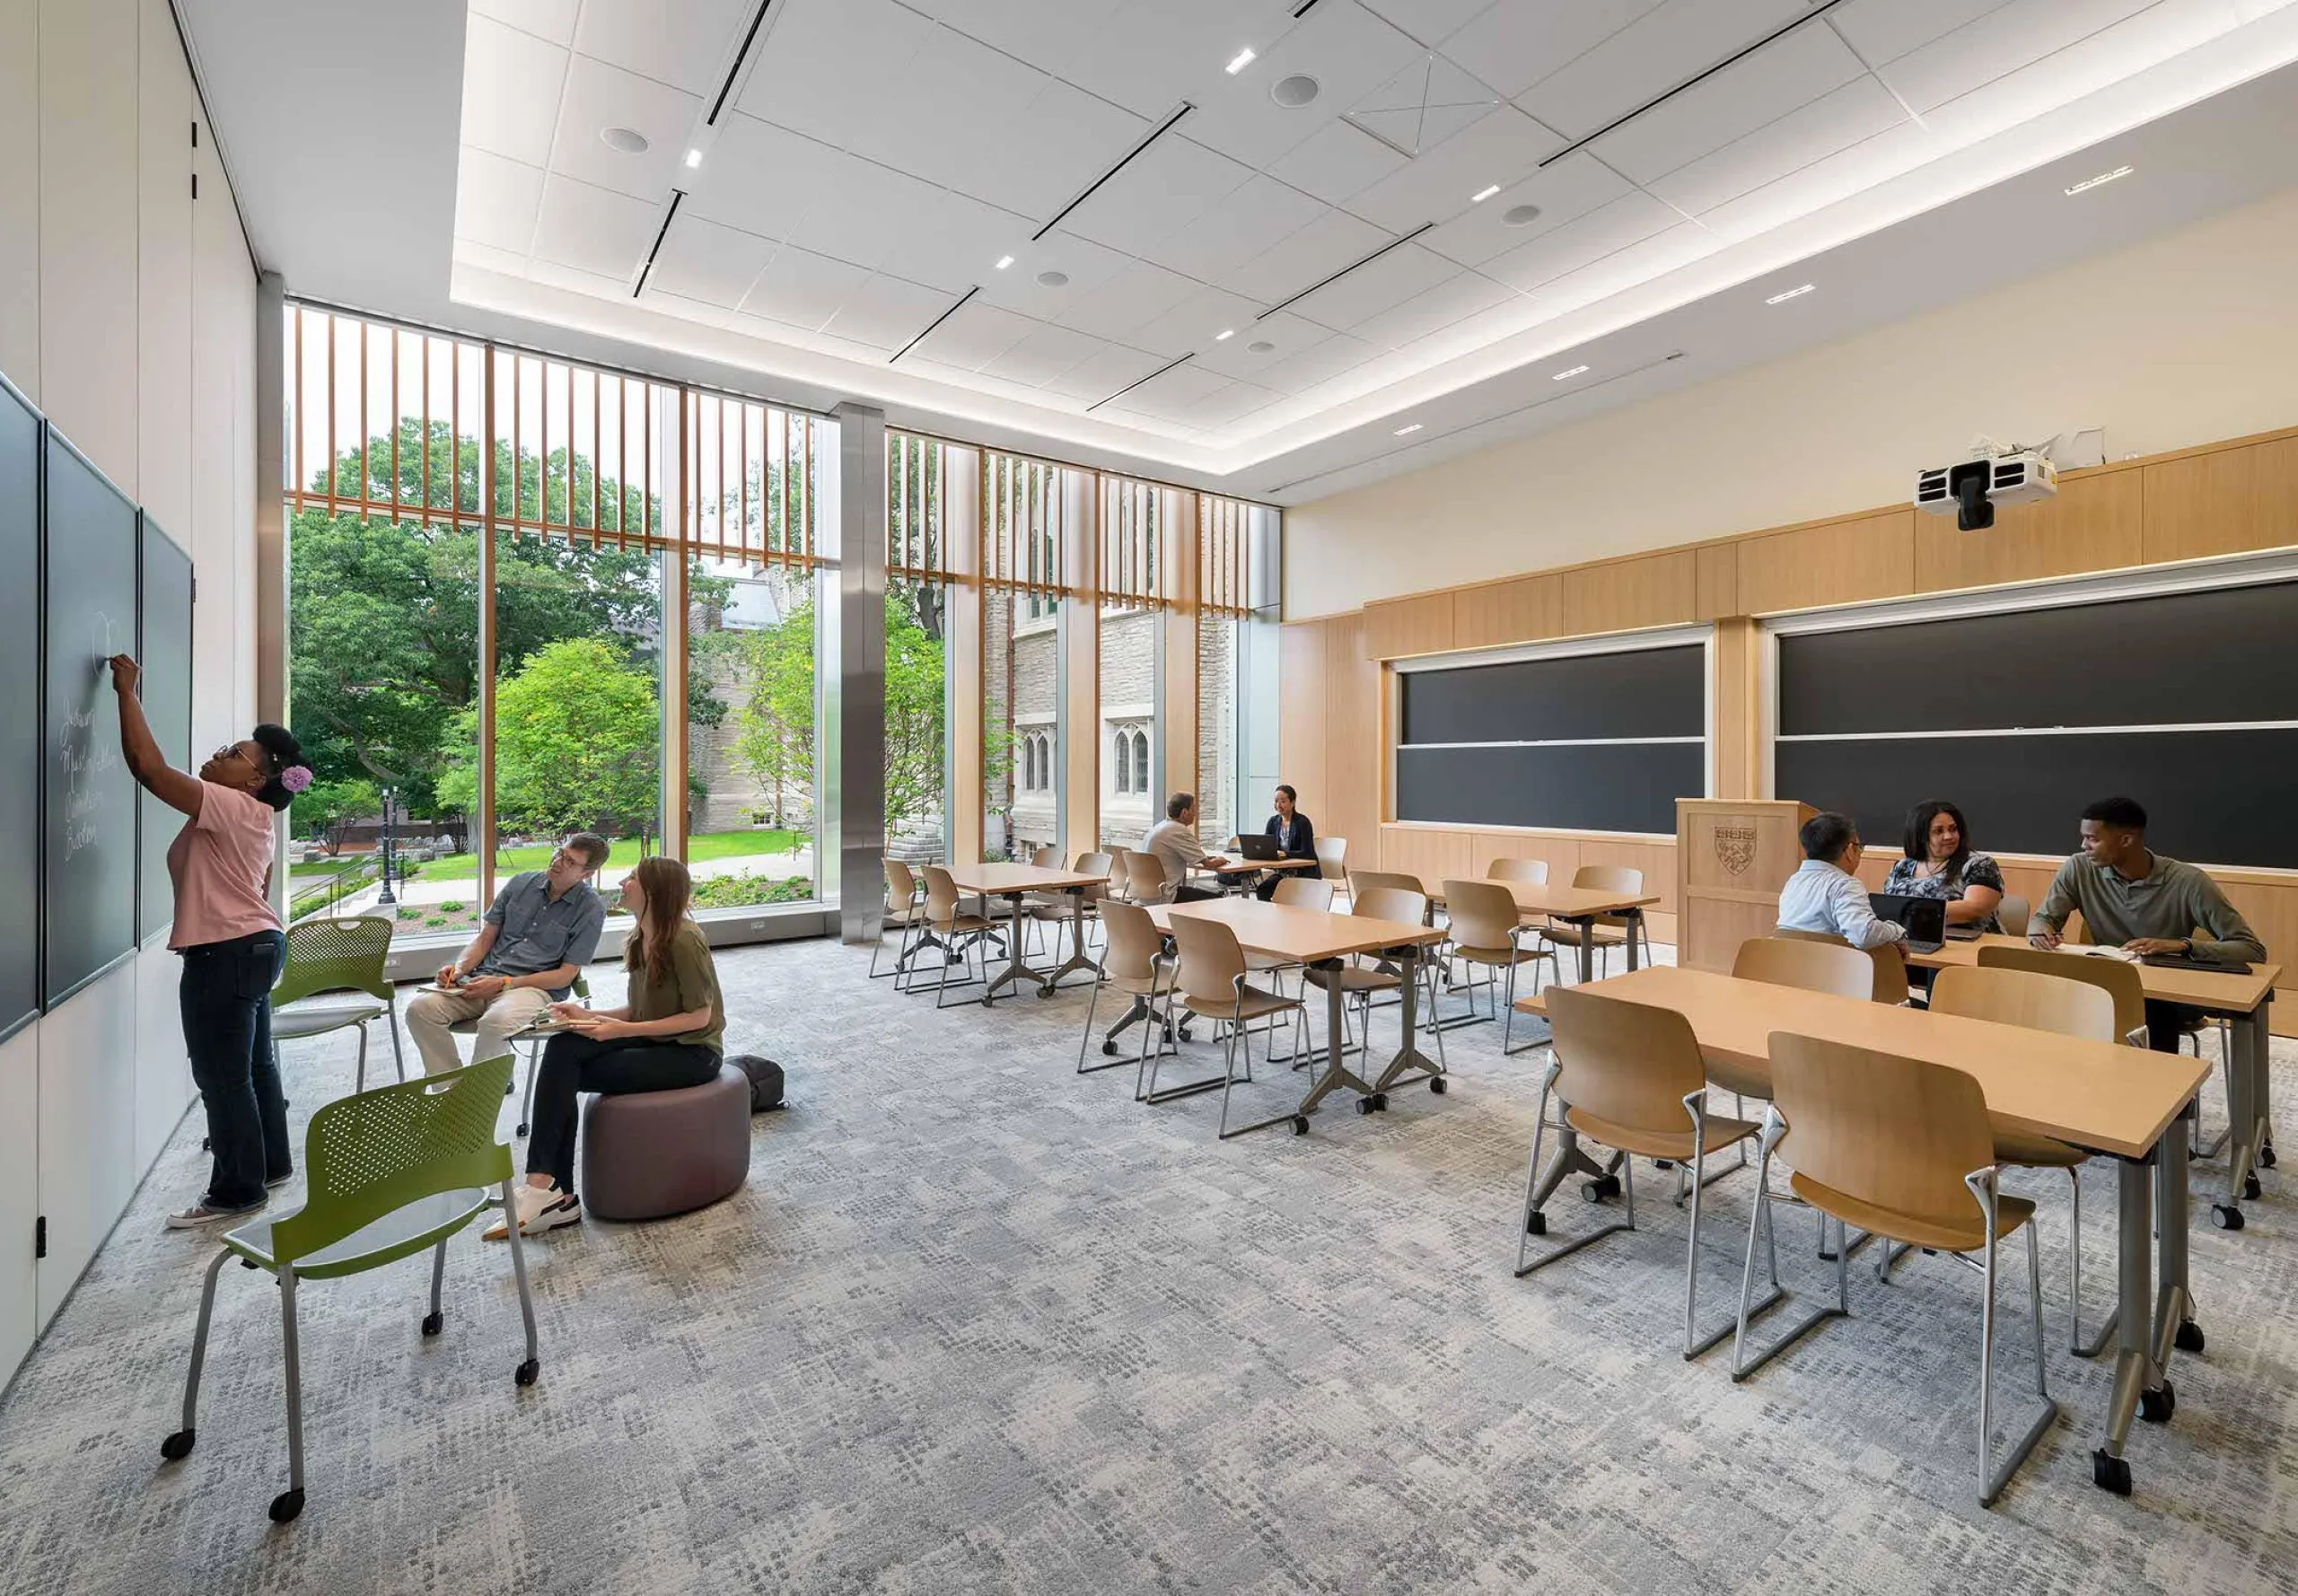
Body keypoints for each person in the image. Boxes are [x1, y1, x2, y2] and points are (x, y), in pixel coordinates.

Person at [108, 654, 311, 1228]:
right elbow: (259, 885)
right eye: (228, 746)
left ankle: (236, 1192)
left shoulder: (230, 805)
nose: (221, 754)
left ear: (254, 780)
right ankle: (269, 1166)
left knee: (222, 1076)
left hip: (225, 954)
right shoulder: (252, 817)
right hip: (255, 946)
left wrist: (127, 692)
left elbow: (149, 769)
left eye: (235, 755)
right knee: (253, 1067)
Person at [487, 856, 725, 1239]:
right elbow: (640, 1010)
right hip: (657, 1040)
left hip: (693, 1053)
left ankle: (550, 1194)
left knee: (565, 1072)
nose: (623, 882)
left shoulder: (683, 938)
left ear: (653, 891)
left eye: (632, 878)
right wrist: (588, 1016)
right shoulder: (641, 937)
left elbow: (699, 1017)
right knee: (564, 1046)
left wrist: (616, 1032)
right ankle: (548, 1191)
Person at [2029, 795, 2266, 1053]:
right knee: (2048, 1000)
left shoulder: (2189, 882)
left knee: (2150, 1007)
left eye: (2093, 839)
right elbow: (2044, 919)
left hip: (2166, 993)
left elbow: (2251, 949)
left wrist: (2181, 946)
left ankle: (2166, 1091)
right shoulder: (2079, 868)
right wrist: (2041, 931)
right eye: (2084, 837)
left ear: (2127, 840)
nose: (2083, 845)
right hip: (2109, 982)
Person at [404, 834, 610, 1074]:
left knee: (495, 1023)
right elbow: (484, 939)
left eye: (570, 861)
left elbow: (565, 975)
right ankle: (451, 1091)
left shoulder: (591, 909)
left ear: (586, 874)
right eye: (559, 853)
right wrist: (459, 970)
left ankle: (479, 1098)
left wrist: (504, 983)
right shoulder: (521, 883)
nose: (557, 861)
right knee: (419, 1010)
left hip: (531, 989)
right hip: (481, 978)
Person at [1776, 811, 1907, 951]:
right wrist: (1896, 931)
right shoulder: (1844, 885)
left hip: (1788, 967)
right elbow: (1863, 935)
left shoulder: (1794, 881)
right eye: (1859, 847)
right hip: (1829, 969)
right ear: (1850, 851)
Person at [1882, 799, 2005, 933]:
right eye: (1938, 831)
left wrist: (1912, 913)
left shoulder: (1980, 865)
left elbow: (1975, 909)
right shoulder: (1902, 867)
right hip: (1910, 940)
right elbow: (1886, 907)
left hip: (1969, 944)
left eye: (1953, 829)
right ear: (1921, 836)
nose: (1948, 836)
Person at [1224, 784, 1319, 901]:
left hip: (1303, 873)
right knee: (1263, 890)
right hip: (1283, 873)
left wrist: (1284, 854)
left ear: (1292, 803)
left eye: (1283, 801)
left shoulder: (1302, 822)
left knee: (1285, 894)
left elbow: (1307, 852)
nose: (1278, 805)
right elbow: (1265, 846)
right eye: (1276, 801)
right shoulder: (1273, 822)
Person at [1141, 792, 1232, 904]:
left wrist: (1203, 857)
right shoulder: (1179, 830)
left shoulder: (1159, 827)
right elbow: (1208, 864)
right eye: (1193, 809)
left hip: (1143, 893)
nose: (1195, 814)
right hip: (1165, 895)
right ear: (1184, 812)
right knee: (1220, 901)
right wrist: (1222, 859)